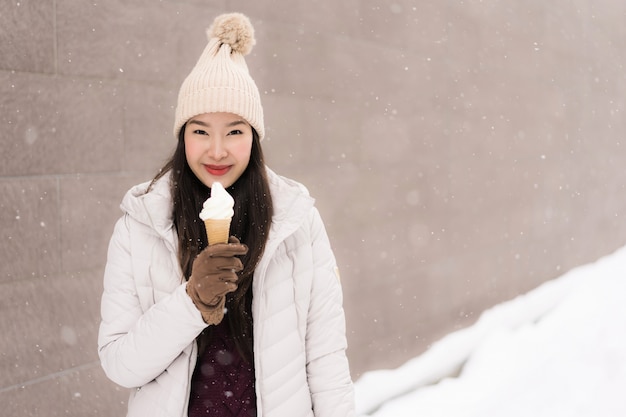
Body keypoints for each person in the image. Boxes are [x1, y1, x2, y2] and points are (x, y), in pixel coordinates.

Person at [97, 12, 356, 417]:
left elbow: (326, 359)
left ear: (254, 136)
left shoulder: (296, 222)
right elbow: (120, 365)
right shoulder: (142, 223)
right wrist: (192, 302)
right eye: (200, 131)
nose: (217, 150)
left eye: (235, 131)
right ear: (182, 135)